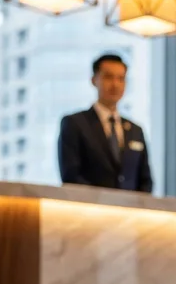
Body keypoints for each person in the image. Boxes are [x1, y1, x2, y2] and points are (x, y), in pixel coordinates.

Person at [58, 54, 153, 192]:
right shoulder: (74, 124)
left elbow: (145, 181)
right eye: (108, 77)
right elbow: (71, 176)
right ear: (94, 80)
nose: (115, 84)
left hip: (129, 210)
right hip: (89, 209)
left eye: (121, 79)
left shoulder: (136, 131)